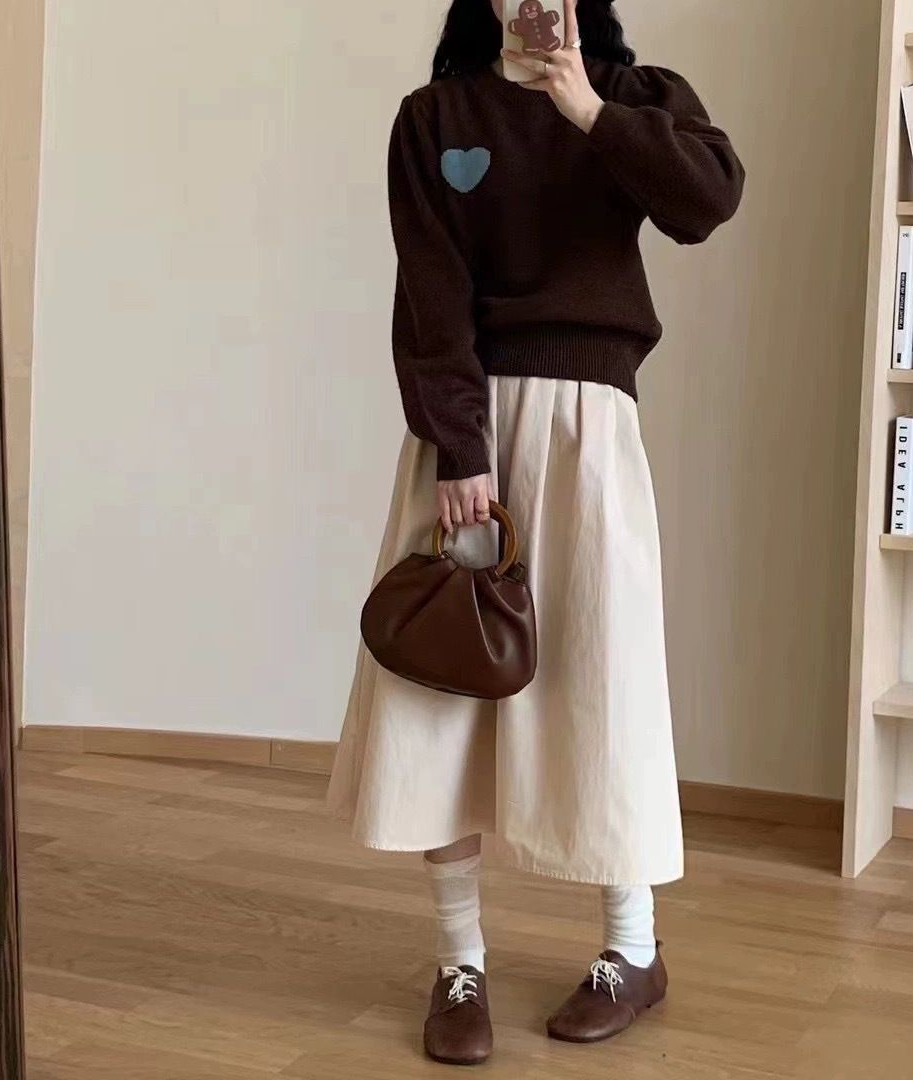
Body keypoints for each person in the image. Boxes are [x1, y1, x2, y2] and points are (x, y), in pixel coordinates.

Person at [328, 0, 744, 1065]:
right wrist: (458, 446)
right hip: (465, 441)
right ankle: (457, 960)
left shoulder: (636, 99)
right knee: (439, 687)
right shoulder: (434, 119)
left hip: (588, 428)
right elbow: (430, 295)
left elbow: (708, 200)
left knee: (604, 679)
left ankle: (633, 949)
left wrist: (587, 108)